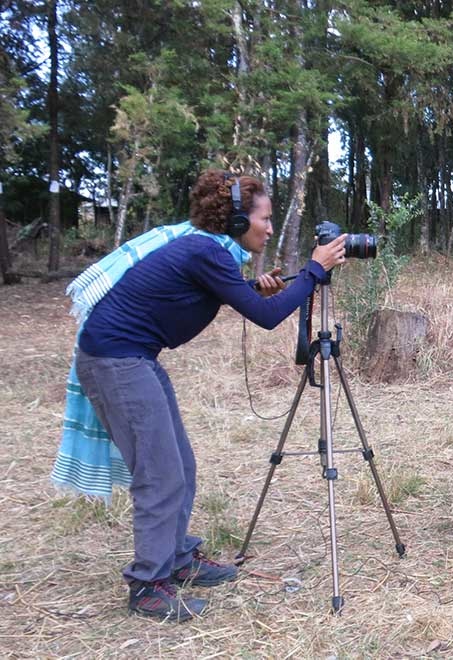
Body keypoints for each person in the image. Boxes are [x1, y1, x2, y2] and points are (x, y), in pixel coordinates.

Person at [51, 169, 347, 622]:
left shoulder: (207, 252)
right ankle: (148, 584)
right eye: (264, 219)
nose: (268, 228)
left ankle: (179, 557)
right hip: (117, 360)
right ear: (233, 221)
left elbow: (217, 296)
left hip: (134, 357)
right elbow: (267, 318)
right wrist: (314, 269)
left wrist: (257, 286)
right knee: (159, 472)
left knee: (180, 463)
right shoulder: (203, 251)